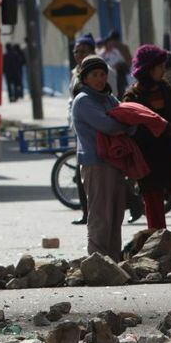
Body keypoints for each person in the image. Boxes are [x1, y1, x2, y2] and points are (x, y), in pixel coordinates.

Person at [70, 55, 134, 261]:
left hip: (114, 162)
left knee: (116, 214)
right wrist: (124, 125)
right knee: (100, 214)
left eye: (103, 74)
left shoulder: (107, 98)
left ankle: (114, 259)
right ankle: (97, 260)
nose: (100, 79)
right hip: (95, 163)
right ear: (85, 78)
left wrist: (124, 124)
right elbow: (110, 125)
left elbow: (125, 119)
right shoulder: (83, 101)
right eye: (95, 75)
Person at [124, 45, 171, 229]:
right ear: (148, 69)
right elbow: (130, 129)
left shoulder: (167, 90)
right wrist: (152, 130)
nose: (163, 70)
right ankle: (159, 254)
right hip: (148, 163)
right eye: (160, 66)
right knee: (154, 216)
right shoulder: (133, 96)